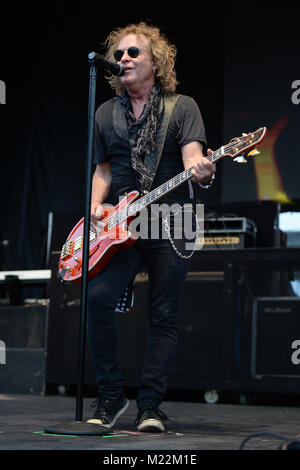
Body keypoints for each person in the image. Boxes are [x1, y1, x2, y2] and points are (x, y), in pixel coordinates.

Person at [86, 21, 216, 433]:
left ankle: (150, 407)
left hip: (172, 219)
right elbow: (103, 168)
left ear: (155, 63)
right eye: (119, 54)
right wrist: (94, 205)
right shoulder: (105, 113)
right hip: (121, 224)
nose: (123, 58)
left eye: (133, 53)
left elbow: (195, 157)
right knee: (98, 298)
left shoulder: (183, 107)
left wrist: (203, 171)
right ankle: (111, 396)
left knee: (163, 315)